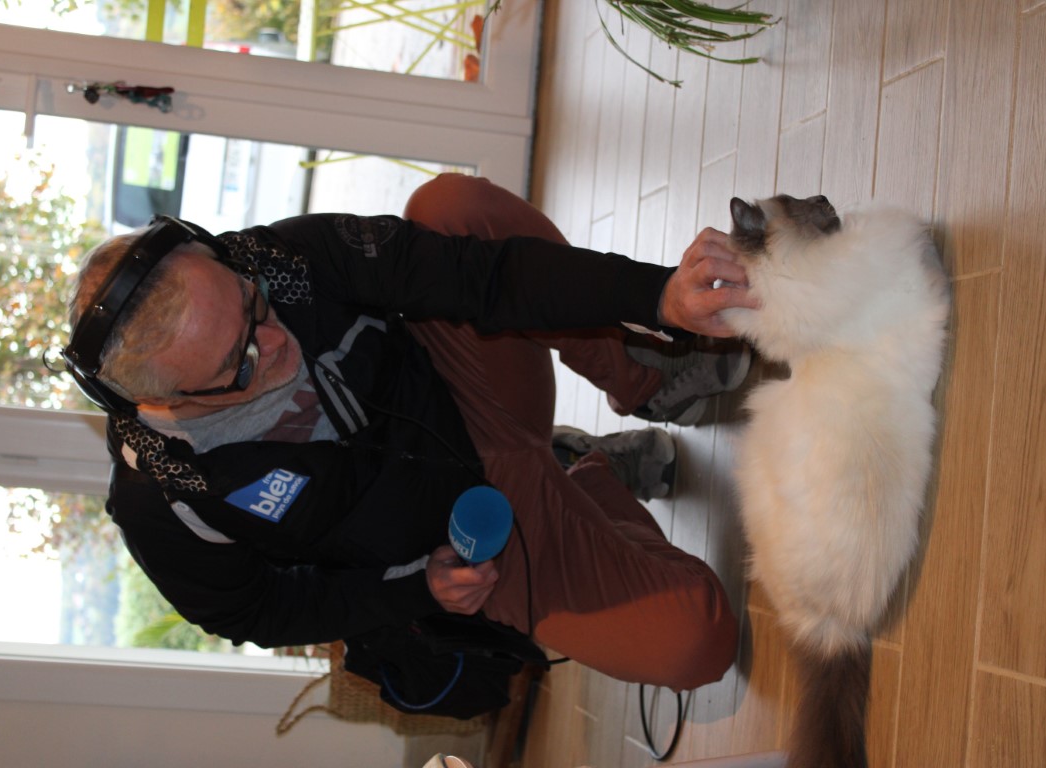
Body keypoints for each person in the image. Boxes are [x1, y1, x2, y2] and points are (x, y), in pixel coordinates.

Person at [64, 173, 757, 691]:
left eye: (253, 304)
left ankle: (652, 376)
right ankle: (584, 475)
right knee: (697, 644)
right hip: (466, 542)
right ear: (166, 400)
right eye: (238, 363)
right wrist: (418, 590)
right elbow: (258, 609)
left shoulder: (283, 260)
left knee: (455, 211)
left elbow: (479, 276)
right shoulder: (169, 500)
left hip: (472, 391)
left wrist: (655, 295)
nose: (276, 341)